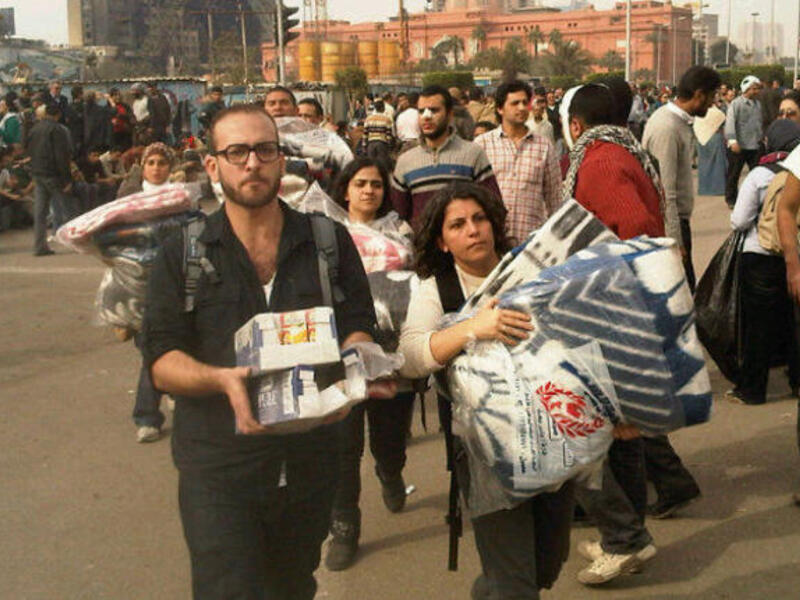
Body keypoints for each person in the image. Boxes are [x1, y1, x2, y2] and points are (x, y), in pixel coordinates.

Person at [142, 103, 376, 598]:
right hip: (219, 468)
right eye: (237, 152)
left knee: (292, 585)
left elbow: (358, 324)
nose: (253, 163)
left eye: (265, 150)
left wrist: (357, 368)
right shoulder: (182, 253)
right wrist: (220, 379)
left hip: (311, 461)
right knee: (230, 588)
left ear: (281, 160)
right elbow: (161, 361)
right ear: (213, 166)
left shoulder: (327, 241)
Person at [398, 182, 573, 599]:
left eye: (479, 219)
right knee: (516, 584)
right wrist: (473, 327)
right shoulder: (436, 289)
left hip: (554, 436)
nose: (473, 230)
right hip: (486, 453)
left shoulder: (533, 268)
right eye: (457, 225)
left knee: (545, 565)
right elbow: (410, 357)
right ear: (442, 242)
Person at [561, 83, 661, 585]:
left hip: (612, 313)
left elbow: (634, 227)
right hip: (627, 310)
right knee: (621, 432)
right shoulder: (622, 151)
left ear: (576, 125)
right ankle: (626, 534)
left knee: (584, 428)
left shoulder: (598, 162)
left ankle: (625, 539)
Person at [324, 157, 414, 571]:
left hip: (390, 356)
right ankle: (344, 526)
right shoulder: (326, 232)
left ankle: (391, 472)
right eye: (360, 183)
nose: (368, 191)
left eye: (376, 184)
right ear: (346, 189)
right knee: (343, 445)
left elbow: (417, 281)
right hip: (339, 353)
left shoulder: (401, 232)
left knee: (390, 437)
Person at [729, 119, 800, 406]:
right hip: (794, 254)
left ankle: (752, 390)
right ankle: (796, 382)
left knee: (758, 328)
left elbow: (739, 220)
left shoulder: (759, 174)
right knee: (793, 324)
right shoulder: (794, 172)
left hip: (760, 256)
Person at [643, 65, 721, 292]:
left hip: (677, 224)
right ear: (699, 94)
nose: (713, 104)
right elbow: (665, 192)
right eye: (712, 97)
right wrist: (675, 241)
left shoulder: (677, 123)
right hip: (670, 228)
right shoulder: (666, 128)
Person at [390, 85, 501, 231]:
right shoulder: (405, 161)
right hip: (422, 244)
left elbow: (493, 207)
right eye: (421, 111)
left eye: (434, 110)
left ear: (449, 114)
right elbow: (397, 215)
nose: (427, 116)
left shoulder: (473, 154)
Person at [475, 80, 561, 243]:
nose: (522, 108)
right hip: (493, 240)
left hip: (531, 241)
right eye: (515, 103)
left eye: (524, 103)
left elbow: (554, 199)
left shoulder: (543, 147)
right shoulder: (482, 145)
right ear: (500, 108)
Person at [26, 104, 74, 256]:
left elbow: (28, 150)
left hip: (38, 173)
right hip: (54, 174)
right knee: (69, 208)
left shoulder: (34, 129)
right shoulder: (57, 129)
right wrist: (67, 179)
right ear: (58, 115)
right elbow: (61, 156)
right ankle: (80, 240)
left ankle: (39, 246)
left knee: (40, 213)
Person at [725, 75, 764, 207]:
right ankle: (731, 199)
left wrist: (761, 137)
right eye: (754, 89)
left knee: (756, 174)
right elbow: (730, 122)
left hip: (755, 145)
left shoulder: (758, 104)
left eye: (758, 89)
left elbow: (758, 123)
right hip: (739, 146)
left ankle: (756, 199)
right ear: (747, 89)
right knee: (734, 174)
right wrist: (732, 141)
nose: (757, 91)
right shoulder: (736, 104)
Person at [362, 99, 395, 165]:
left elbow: (365, 134)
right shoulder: (387, 120)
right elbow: (388, 135)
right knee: (382, 164)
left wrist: (364, 146)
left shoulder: (368, 119)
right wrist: (389, 146)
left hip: (371, 144)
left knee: (372, 164)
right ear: (383, 108)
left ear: (375, 108)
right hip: (382, 144)